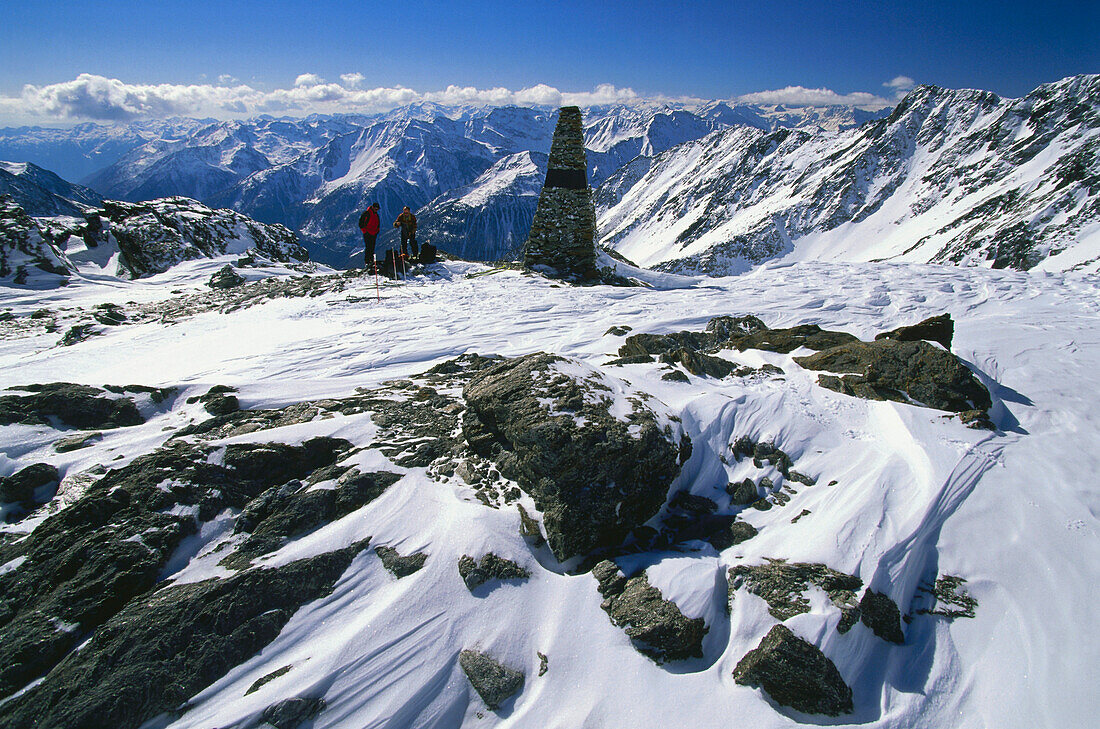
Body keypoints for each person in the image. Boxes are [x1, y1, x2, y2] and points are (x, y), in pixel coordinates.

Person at [358, 203, 381, 270]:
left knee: (372, 246)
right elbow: (361, 223)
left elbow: (378, 223)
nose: (377, 210)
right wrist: (365, 231)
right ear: (373, 207)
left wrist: (377, 231)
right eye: (376, 208)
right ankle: (367, 261)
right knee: (368, 247)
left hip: (374, 233)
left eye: (377, 209)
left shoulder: (376, 214)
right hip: (368, 233)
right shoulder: (366, 213)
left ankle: (371, 260)